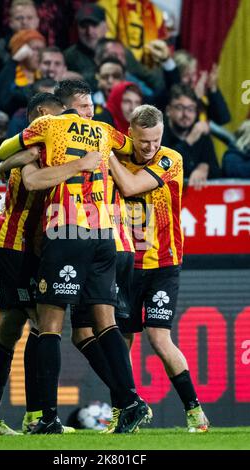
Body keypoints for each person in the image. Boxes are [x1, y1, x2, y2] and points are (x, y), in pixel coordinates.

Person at [0, 79, 150, 434]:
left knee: (49, 325)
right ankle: (130, 401)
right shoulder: (104, 131)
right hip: (104, 235)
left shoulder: (46, 125)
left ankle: (48, 417)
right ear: (77, 104)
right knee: (105, 321)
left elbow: (6, 148)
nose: (90, 111)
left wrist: (5, 164)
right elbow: (138, 151)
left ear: (56, 105)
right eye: (86, 104)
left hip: (66, 230)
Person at [0, 92, 102, 435]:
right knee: (41, 323)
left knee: (11, 326)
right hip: (12, 245)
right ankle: (36, 416)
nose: (66, 122)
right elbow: (31, 177)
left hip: (29, 248)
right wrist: (78, 164)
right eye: (61, 114)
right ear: (43, 115)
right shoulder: (35, 150)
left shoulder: (43, 149)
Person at [108, 104, 209, 433]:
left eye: (155, 140)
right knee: (120, 341)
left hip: (163, 264)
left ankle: (194, 410)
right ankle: (123, 411)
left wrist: (106, 155)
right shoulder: (120, 156)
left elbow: (130, 187)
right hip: (125, 263)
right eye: (143, 142)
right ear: (130, 135)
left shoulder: (170, 159)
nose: (150, 148)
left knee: (158, 336)